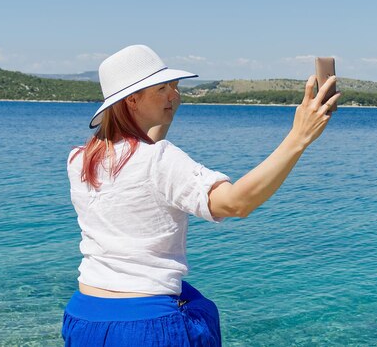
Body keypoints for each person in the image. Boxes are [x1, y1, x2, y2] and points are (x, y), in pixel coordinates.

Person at [62, 44, 340, 346]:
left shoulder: (79, 159)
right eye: (162, 88)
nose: (175, 95)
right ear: (132, 100)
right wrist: (299, 137)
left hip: (84, 317)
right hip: (143, 325)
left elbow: (141, 165)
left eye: (175, 86)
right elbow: (235, 203)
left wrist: (161, 113)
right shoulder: (160, 160)